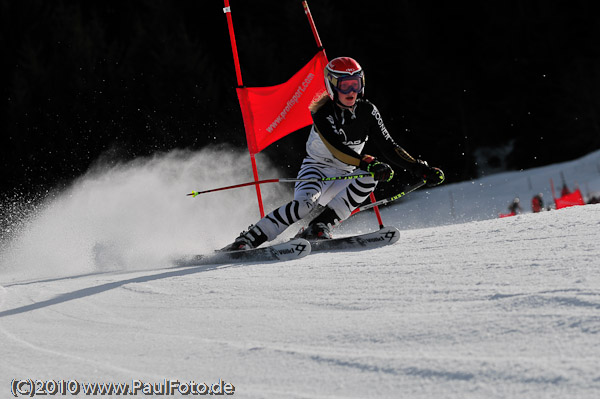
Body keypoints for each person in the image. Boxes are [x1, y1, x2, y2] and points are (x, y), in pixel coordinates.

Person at [224, 57, 445, 251]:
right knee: (304, 205)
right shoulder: (322, 112)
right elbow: (337, 148)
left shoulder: (368, 111)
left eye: (355, 85)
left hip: (345, 174)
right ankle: (250, 238)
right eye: (344, 86)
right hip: (316, 169)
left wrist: (420, 168)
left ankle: (321, 225)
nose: (351, 92)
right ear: (332, 86)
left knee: (370, 177)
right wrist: (367, 162)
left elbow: (389, 146)